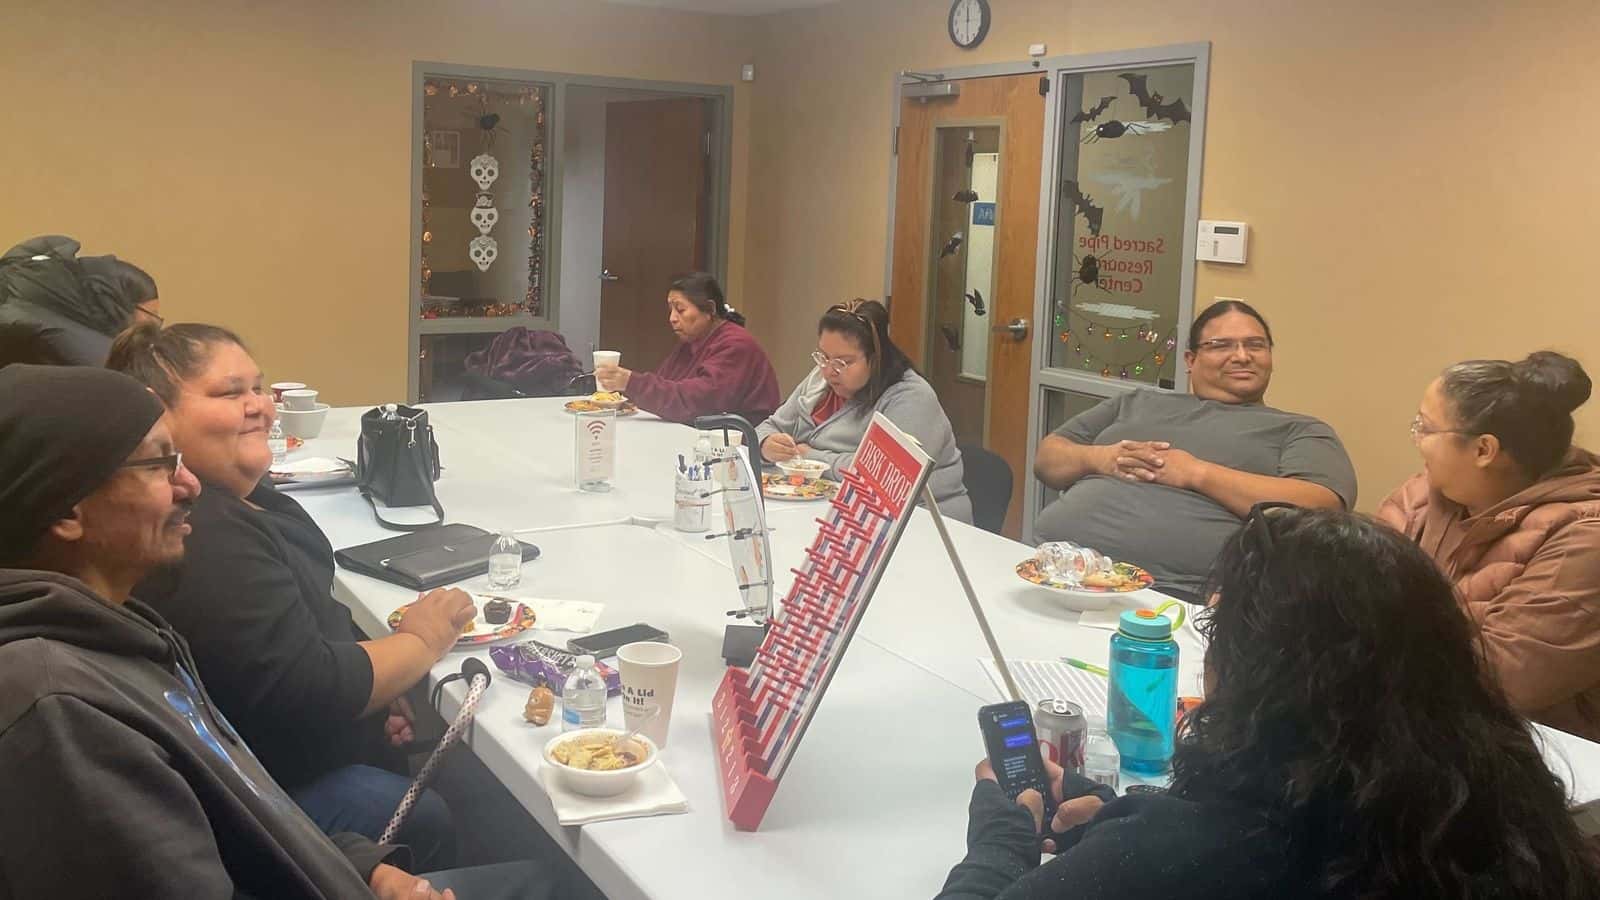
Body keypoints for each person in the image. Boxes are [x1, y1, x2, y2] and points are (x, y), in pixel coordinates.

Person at [937, 505, 1600, 899]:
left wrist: (1002, 838)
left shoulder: (1198, 853)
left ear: (1257, 672)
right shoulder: (1495, 802)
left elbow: (1203, 855)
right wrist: (1123, 821)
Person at [0, 364, 464, 898]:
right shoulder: (60, 711)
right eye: (158, 465)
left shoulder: (108, 632)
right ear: (65, 511)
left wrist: (362, 867)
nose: (190, 483)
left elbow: (225, 813)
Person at [107, 322, 475, 868]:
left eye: (259, 387)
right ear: (156, 414)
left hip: (280, 752)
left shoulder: (241, 496)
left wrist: (375, 673)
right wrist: (421, 642)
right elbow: (306, 691)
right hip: (261, 789)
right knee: (427, 811)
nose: (258, 405)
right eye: (231, 393)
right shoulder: (205, 533)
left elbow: (295, 624)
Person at [1033, 300, 1355, 600]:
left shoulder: (1298, 429)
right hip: (1048, 567)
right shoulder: (1138, 402)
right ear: (1191, 360)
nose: (1242, 356)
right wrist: (1100, 458)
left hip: (1176, 596)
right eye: (1221, 345)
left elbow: (1323, 507)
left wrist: (1195, 473)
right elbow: (1048, 458)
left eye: (1255, 345)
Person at [1378, 351, 1600, 742]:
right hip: (1419, 721)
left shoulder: (1585, 534)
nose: (1417, 440)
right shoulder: (1422, 496)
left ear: (1484, 450)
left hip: (1543, 751)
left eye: (1425, 428)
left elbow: (1509, 678)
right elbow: (1347, 586)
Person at [754, 299, 970, 522]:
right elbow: (770, 426)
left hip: (920, 521)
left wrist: (808, 457)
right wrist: (765, 445)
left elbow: (884, 476)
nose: (829, 371)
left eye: (843, 362)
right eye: (824, 357)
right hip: (837, 508)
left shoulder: (911, 398)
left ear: (876, 359)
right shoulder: (821, 378)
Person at [594, 272, 780, 425]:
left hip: (738, 445)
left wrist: (631, 382)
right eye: (671, 310)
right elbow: (665, 383)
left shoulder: (737, 345)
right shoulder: (692, 341)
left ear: (709, 309)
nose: (672, 318)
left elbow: (698, 403)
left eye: (680, 310)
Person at [0, 234, 160, 368]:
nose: (155, 327)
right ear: (115, 305)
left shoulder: (58, 317)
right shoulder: (90, 351)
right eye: (151, 315)